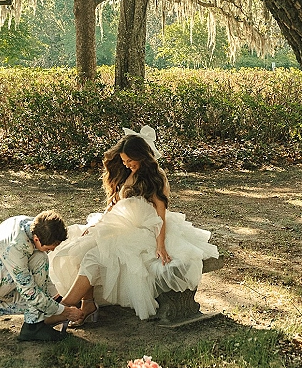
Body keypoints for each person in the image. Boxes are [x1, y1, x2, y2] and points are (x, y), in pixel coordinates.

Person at [49, 126, 218, 323]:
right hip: (119, 226)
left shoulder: (156, 176)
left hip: (144, 232)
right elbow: (115, 204)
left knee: (94, 257)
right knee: (80, 247)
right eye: (123, 160)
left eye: (130, 160)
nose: (127, 164)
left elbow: (160, 215)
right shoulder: (125, 173)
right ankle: (86, 304)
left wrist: (160, 244)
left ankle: (63, 307)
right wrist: (99, 223)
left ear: (142, 156)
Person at [0, 210, 82, 341]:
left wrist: (59, 300)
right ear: (37, 239)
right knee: (34, 297)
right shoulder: (15, 247)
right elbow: (29, 292)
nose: (52, 250)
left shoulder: (33, 226)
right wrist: (65, 312)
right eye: (50, 247)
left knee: (39, 260)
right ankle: (33, 327)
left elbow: (40, 274)